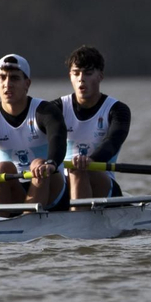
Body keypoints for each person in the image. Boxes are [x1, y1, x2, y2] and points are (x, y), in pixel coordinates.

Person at [0, 53, 70, 210]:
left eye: (14, 78)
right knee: (2, 168)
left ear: (27, 84)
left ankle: (27, 219)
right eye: (2, 78)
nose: (7, 84)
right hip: (15, 188)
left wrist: (50, 164)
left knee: (38, 163)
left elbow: (58, 140)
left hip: (52, 188)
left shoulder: (45, 111)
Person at [60, 45, 129, 201]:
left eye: (88, 73)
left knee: (78, 169)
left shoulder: (117, 110)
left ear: (100, 76)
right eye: (76, 73)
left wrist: (91, 160)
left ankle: (78, 220)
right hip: (64, 184)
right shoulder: (56, 108)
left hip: (103, 185)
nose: (81, 79)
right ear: (70, 76)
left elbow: (112, 143)